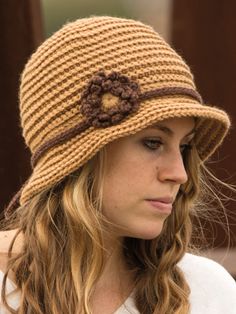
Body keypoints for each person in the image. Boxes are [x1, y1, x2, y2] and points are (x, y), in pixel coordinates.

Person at [0, 16, 235, 314]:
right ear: (80, 154)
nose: (179, 174)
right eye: (153, 143)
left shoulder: (207, 291)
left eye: (185, 146)